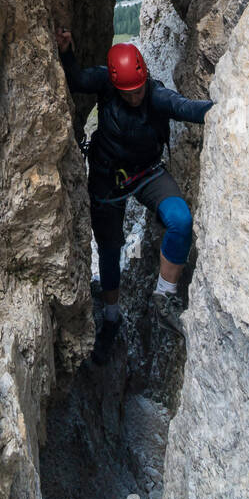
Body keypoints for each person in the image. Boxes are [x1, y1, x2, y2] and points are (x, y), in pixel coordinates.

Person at [54, 26, 213, 361]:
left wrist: (220, 109)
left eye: (138, 89)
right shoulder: (106, 84)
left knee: (180, 220)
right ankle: (111, 317)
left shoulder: (155, 95)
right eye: (129, 92)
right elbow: (78, 80)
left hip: (147, 173)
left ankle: (163, 296)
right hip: (107, 179)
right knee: (110, 249)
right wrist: (66, 51)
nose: (135, 96)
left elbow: (184, 107)